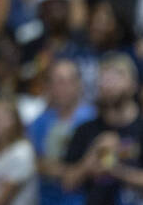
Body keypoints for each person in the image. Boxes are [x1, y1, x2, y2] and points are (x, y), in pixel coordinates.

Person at [62, 53, 143, 205]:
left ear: (133, 84)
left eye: (118, 75)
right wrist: (94, 153)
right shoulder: (85, 130)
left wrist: (114, 169)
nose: (109, 82)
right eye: (104, 77)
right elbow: (68, 182)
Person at [29, 58, 96, 205]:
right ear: (49, 87)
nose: (63, 88)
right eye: (57, 82)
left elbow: (97, 165)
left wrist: (57, 169)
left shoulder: (94, 120)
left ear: (79, 84)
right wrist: (71, 172)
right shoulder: (39, 123)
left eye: (68, 81)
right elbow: (35, 162)